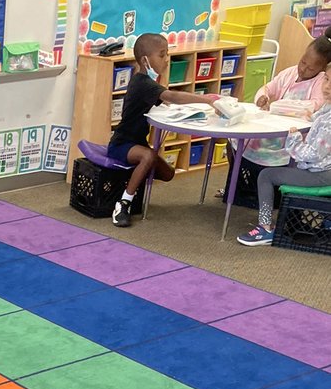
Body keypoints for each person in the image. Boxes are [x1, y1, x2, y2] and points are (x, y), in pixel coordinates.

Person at [108, 33, 220, 228]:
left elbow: (165, 101)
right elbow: (171, 97)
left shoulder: (149, 84)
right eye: (162, 55)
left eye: (167, 54)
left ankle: (134, 177)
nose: (167, 59)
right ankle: (124, 203)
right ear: (145, 60)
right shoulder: (142, 82)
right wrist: (206, 100)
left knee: (168, 174)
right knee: (148, 156)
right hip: (121, 144)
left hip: (138, 143)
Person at [221, 36, 331, 205]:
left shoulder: (321, 85)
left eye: (310, 68)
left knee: (267, 172)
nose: (303, 69)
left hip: (290, 140)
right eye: (303, 62)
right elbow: (268, 87)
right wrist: (263, 97)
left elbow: (315, 106)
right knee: (235, 142)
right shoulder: (289, 73)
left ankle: (265, 206)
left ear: (322, 69)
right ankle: (240, 189)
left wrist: (283, 109)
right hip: (274, 131)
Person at [238, 65, 331, 245]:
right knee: (284, 167)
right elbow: (317, 118)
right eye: (326, 79)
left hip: (321, 173)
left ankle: (265, 227)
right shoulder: (327, 108)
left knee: (266, 176)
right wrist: (308, 117)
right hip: (320, 169)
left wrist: (294, 141)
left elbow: (313, 155)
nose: (326, 86)